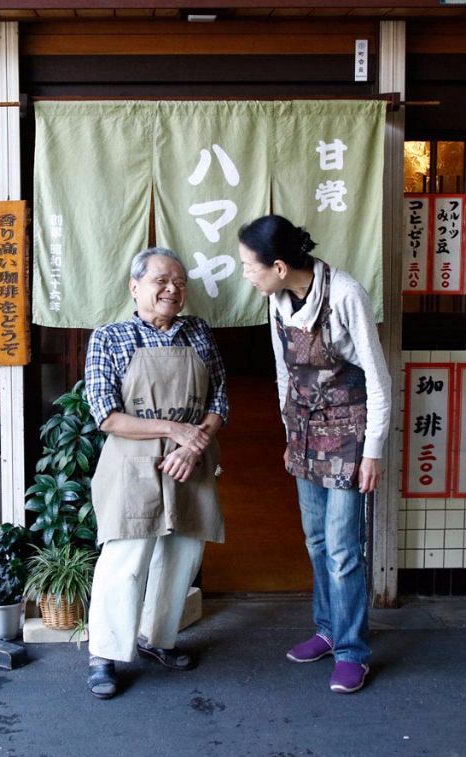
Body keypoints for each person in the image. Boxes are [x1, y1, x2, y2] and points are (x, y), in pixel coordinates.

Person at [237, 215, 390, 695]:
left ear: (279, 266)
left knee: (344, 550)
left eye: (249, 265)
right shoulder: (275, 302)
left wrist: (373, 453)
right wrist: (288, 434)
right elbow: (285, 373)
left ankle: (352, 652)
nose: (246, 274)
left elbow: (378, 378)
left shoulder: (345, 293)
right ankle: (326, 630)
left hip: (348, 437)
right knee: (317, 543)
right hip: (304, 434)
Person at [82, 247, 227, 700]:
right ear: (135, 286)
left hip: (191, 462)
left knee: (182, 554)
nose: (172, 289)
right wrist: (174, 430)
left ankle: (157, 639)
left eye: (179, 282)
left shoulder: (198, 332)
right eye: (161, 281)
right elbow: (106, 414)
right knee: (125, 559)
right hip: (132, 464)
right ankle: (104, 655)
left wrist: (195, 442)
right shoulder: (110, 337)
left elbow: (220, 400)